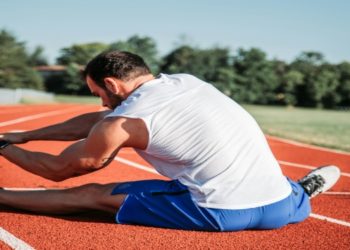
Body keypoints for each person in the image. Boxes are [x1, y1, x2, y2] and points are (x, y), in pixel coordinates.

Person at [0, 51, 341, 231]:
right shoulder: (185, 82)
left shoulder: (123, 121)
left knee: (92, 195)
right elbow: (99, 120)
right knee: (257, 174)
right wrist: (26, 135)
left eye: (98, 93)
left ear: (112, 84)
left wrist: (4, 146)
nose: (101, 103)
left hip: (219, 212)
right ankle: (303, 191)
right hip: (280, 207)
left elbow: (60, 169)